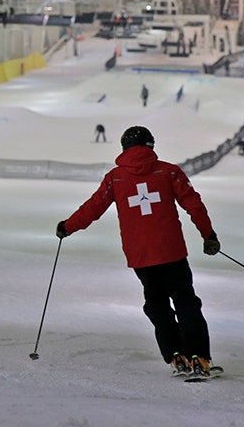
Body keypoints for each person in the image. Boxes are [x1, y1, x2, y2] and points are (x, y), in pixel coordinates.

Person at [56, 126, 221, 378]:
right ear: (151, 146)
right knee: (185, 301)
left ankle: (175, 355)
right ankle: (199, 357)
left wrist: (67, 227)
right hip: (172, 251)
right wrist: (208, 235)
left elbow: (93, 208)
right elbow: (194, 205)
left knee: (157, 304)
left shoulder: (115, 178)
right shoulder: (169, 172)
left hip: (140, 256)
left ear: (124, 149)